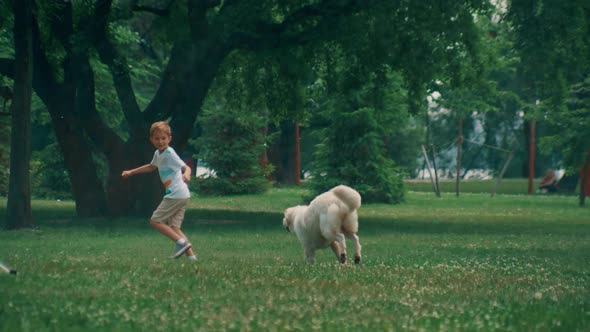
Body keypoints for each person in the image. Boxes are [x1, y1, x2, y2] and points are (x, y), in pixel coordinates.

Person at [121, 121, 196, 260]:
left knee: (155, 221)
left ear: (169, 138)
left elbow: (186, 167)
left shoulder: (169, 153)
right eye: (157, 138)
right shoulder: (158, 153)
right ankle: (192, 259)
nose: (160, 141)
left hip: (176, 194)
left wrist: (186, 174)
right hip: (182, 195)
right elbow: (151, 167)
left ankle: (181, 243)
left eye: (163, 138)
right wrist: (131, 172)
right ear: (151, 140)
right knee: (175, 228)